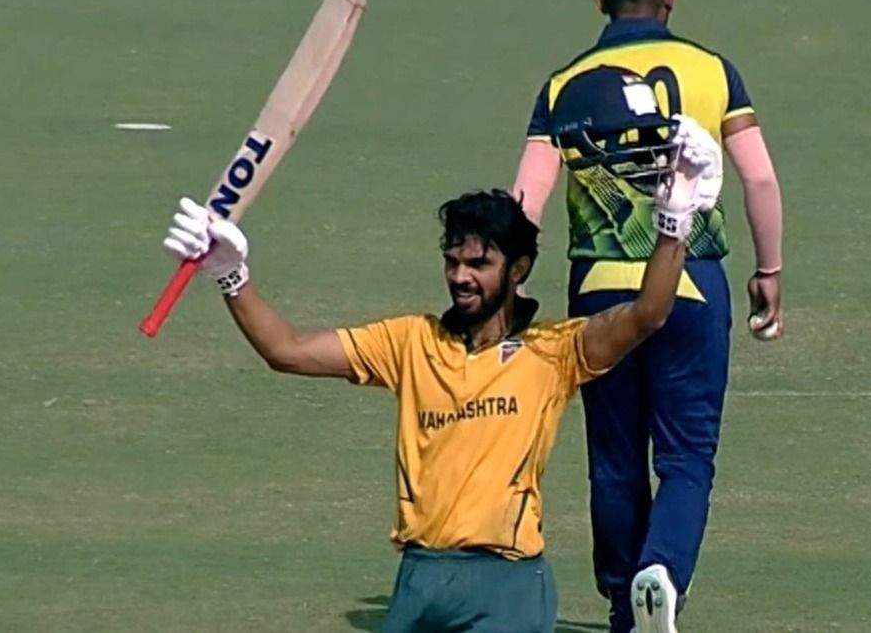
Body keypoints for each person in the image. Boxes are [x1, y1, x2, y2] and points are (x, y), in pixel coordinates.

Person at [159, 112, 722, 632]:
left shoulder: (554, 349)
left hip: (507, 584)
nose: (461, 276)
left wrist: (673, 222)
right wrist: (233, 276)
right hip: (420, 578)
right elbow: (286, 350)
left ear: (518, 268)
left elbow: (649, 313)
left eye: (479, 263)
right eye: (453, 261)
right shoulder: (410, 341)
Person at [509, 0, 786, 631]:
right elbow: (759, 180)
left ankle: (622, 602)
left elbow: (525, 201)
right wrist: (769, 271)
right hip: (692, 282)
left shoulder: (565, 85)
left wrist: (504, 290)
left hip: (599, 287)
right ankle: (662, 569)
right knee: (688, 454)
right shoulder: (713, 72)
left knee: (613, 456)